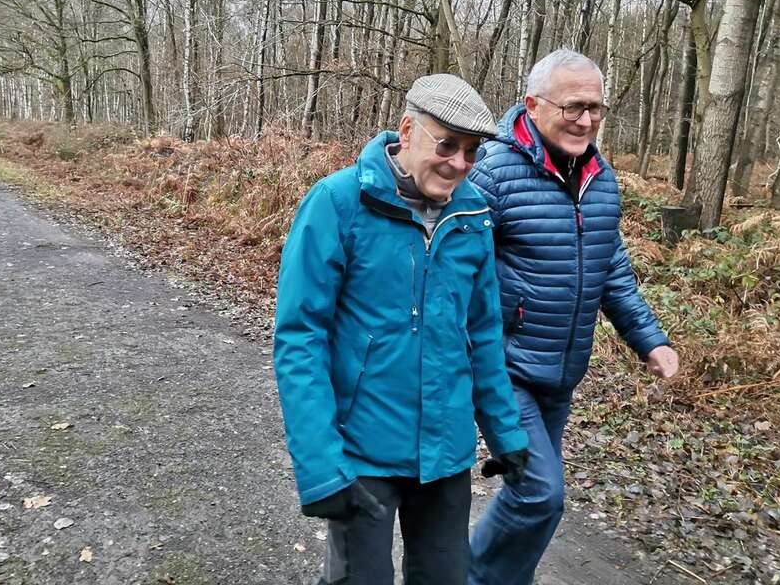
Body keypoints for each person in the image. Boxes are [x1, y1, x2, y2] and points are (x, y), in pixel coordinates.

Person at [273, 74, 529, 585]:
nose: (459, 163)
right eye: (447, 145)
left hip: (446, 451)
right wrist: (320, 465)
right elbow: (300, 338)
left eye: (472, 152)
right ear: (408, 130)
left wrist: (504, 430)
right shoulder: (338, 203)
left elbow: (482, 334)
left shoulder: (474, 214)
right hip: (362, 450)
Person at [467, 49, 680, 585]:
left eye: (595, 108)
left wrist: (649, 339)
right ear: (533, 105)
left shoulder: (599, 178)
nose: (585, 120)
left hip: (561, 373)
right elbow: (456, 267)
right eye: (573, 107)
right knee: (539, 494)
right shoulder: (493, 171)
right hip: (505, 369)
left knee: (533, 495)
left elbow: (611, 268)